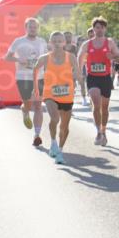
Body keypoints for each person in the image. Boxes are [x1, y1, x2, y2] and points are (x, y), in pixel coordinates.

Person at [4, 18, 50, 146]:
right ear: (26, 28)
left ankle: (37, 134)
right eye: (30, 27)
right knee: (28, 105)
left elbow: (46, 59)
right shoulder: (18, 41)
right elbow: (7, 57)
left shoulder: (42, 42)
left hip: (39, 77)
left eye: (35, 27)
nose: (33, 29)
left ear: (38, 28)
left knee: (38, 105)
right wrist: (19, 60)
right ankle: (25, 111)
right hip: (23, 77)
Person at [33, 31, 77, 164]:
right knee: (55, 118)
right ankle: (53, 143)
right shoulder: (44, 58)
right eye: (54, 41)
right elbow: (35, 71)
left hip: (66, 95)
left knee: (64, 126)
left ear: (64, 43)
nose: (57, 44)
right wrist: (35, 88)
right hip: (50, 94)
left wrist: (75, 79)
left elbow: (77, 71)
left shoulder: (71, 57)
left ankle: (60, 150)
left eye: (60, 41)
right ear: (50, 43)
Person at [77, 17, 119, 147]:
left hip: (105, 77)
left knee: (104, 107)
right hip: (92, 77)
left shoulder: (110, 42)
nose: (99, 29)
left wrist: (112, 56)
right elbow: (80, 56)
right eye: (97, 27)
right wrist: (79, 72)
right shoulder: (87, 44)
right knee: (96, 104)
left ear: (105, 29)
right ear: (93, 29)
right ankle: (98, 132)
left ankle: (103, 130)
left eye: (102, 27)